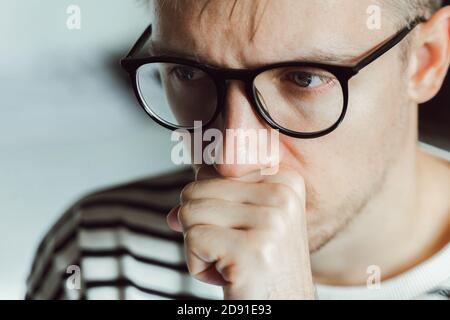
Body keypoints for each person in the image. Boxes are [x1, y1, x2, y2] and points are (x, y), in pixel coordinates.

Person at [27, 0, 450, 300]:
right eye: (188, 72)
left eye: (303, 79)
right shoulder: (97, 255)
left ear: (426, 60)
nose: (232, 160)